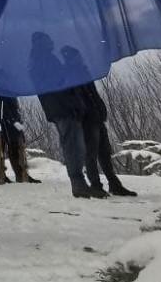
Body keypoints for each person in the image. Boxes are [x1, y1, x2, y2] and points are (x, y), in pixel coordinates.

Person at [29, 32, 92, 199]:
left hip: (61, 108)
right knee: (73, 145)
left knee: (74, 145)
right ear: (42, 42)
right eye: (48, 40)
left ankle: (79, 182)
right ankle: (78, 183)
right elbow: (59, 83)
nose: (52, 42)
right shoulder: (45, 60)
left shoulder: (40, 60)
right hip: (63, 109)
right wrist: (70, 67)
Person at [73, 80, 135, 197]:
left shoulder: (86, 78)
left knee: (105, 153)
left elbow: (93, 96)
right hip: (87, 121)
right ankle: (96, 185)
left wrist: (101, 110)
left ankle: (114, 184)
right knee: (91, 154)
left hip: (98, 118)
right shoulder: (73, 78)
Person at [0, 95, 40, 184]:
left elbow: (15, 109)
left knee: (17, 148)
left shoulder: (11, 92)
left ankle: (22, 174)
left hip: (14, 121)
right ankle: (16, 174)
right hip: (7, 123)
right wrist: (13, 121)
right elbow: (4, 108)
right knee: (12, 149)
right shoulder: (2, 90)